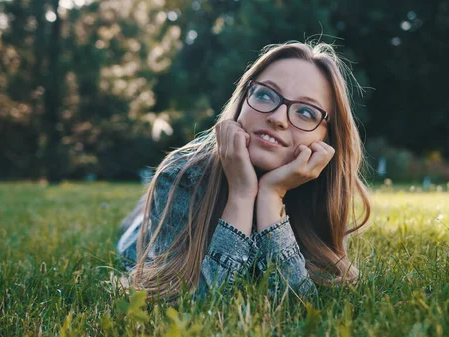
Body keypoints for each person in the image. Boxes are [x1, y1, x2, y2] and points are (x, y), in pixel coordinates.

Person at [116, 41, 371, 300]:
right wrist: (242, 192)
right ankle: (140, 212)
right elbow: (197, 303)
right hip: (143, 237)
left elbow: (298, 304)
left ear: (326, 140)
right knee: (134, 230)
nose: (278, 119)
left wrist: (271, 195)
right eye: (265, 95)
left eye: (306, 112)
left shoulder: (324, 192)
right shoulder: (181, 175)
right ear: (242, 101)